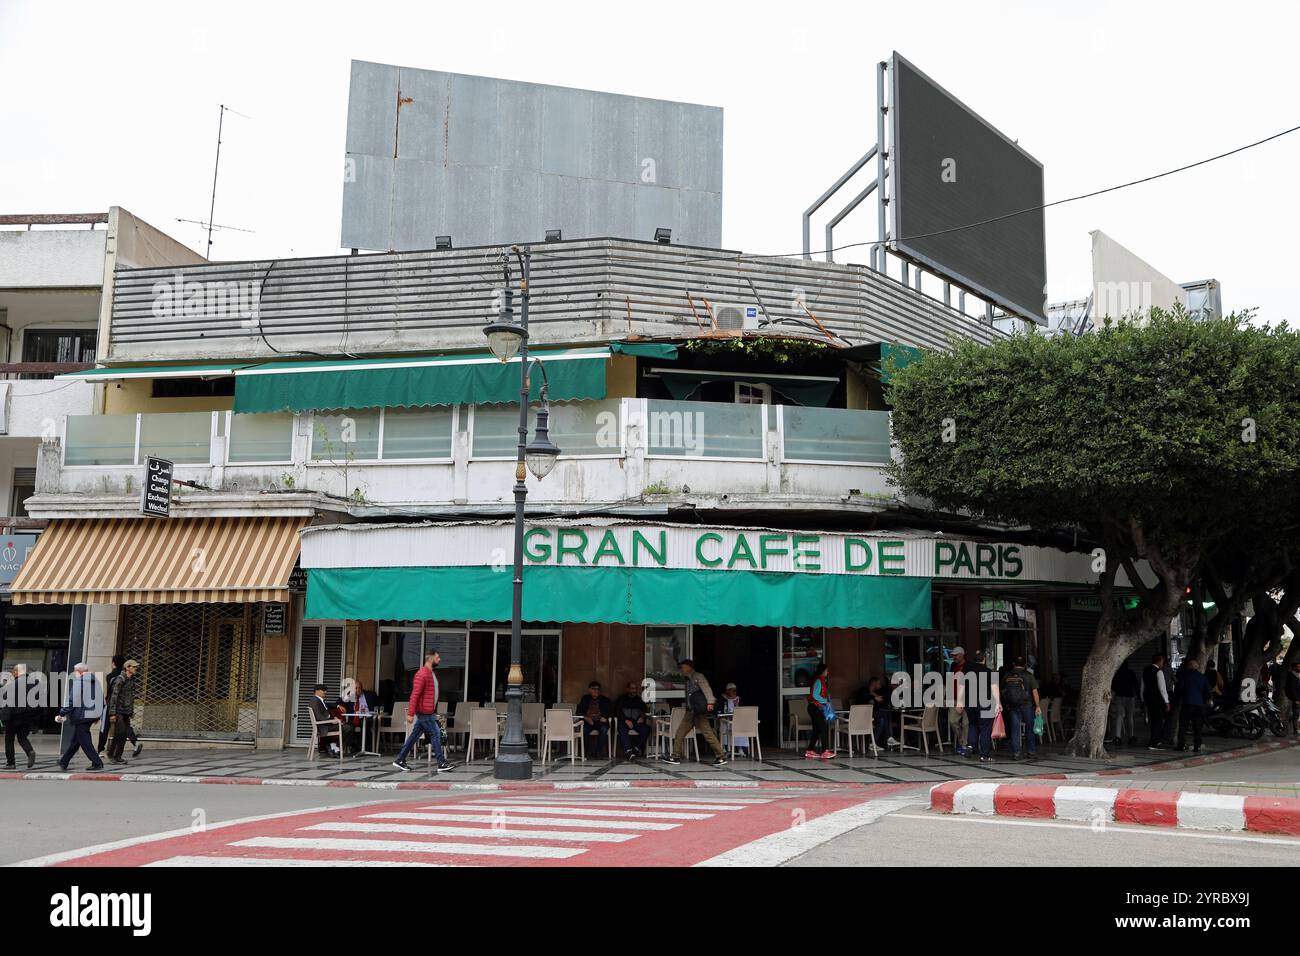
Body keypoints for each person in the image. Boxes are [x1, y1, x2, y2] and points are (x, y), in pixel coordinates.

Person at [392, 651, 451, 772]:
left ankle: (400, 759)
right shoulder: (422, 674)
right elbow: (415, 694)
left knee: (414, 736)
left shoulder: (431, 673)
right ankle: (441, 763)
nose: (439, 659)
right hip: (424, 712)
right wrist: (410, 714)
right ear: (430, 658)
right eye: (437, 657)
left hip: (428, 711)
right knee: (436, 733)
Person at [661, 660, 727, 766]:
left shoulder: (697, 676)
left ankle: (721, 756)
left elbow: (706, 689)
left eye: (682, 667)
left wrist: (710, 702)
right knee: (680, 733)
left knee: (708, 734)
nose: (681, 669)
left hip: (698, 712)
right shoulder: (687, 678)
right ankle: (675, 756)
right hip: (690, 712)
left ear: (688, 667)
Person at [55, 663, 104, 772]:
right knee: (76, 741)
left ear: (79, 672)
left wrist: (62, 713)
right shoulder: (95, 682)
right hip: (91, 715)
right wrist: (98, 715)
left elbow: (72, 701)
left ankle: (97, 762)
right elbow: (101, 699)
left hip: (81, 716)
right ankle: (64, 761)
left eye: (75, 671)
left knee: (85, 741)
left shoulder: (80, 682)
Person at [959, 649, 999, 762]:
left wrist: (959, 702)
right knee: (985, 728)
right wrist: (998, 703)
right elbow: (995, 688)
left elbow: (961, 687)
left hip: (970, 703)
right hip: (984, 703)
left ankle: (971, 746)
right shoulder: (989, 672)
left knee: (973, 724)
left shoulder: (966, 671)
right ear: (984, 659)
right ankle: (984, 755)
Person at [1, 664, 39, 769]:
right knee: (22, 737)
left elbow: (5, 697)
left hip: (15, 715)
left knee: (9, 739)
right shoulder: (34, 683)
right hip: (28, 716)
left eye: (14, 672)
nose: (13, 674)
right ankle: (30, 751)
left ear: (17, 672)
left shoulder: (15, 683)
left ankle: (11, 763)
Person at [1002, 656, 1040, 760]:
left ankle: (1016, 753)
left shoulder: (1007, 675)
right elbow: (1035, 692)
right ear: (1025, 665)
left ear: (1014, 664)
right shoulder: (1029, 675)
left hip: (1013, 705)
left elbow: (1002, 690)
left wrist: (1006, 703)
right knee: (1029, 728)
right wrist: (1037, 706)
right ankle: (1031, 752)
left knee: (1015, 729)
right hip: (1026, 704)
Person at [105, 659, 141, 765]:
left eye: (136, 667)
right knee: (120, 732)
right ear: (127, 668)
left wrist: (131, 710)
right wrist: (112, 713)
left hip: (126, 711)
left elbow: (130, 697)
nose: (136, 669)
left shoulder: (131, 680)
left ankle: (117, 756)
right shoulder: (120, 679)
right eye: (134, 667)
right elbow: (114, 697)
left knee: (123, 734)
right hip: (118, 711)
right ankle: (112, 754)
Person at [307, 683, 355, 758]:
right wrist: (332, 720)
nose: (325, 692)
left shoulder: (318, 700)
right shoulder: (315, 701)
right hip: (324, 726)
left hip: (325, 725)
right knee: (348, 728)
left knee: (347, 725)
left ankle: (334, 746)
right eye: (323, 690)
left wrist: (338, 705)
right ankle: (336, 746)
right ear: (317, 691)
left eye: (326, 690)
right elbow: (318, 716)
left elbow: (327, 705)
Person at [1176, 659, 1211, 754]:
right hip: (1198, 705)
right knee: (1197, 726)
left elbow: (1179, 689)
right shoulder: (1202, 677)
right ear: (1197, 667)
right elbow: (1207, 692)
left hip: (1187, 704)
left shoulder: (1184, 676)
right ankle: (1197, 746)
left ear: (1189, 666)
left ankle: (1181, 744)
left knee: (1183, 725)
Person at [612, 681, 653, 760]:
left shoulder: (639, 700)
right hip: (624, 722)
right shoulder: (621, 699)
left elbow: (644, 711)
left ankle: (636, 749)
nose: (634, 690)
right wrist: (626, 720)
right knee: (622, 729)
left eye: (635, 688)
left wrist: (642, 717)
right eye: (632, 688)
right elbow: (617, 711)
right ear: (627, 689)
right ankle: (628, 751)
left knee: (647, 729)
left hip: (636, 722)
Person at [805, 662, 836, 760]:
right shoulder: (819, 680)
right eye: (826, 670)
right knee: (824, 727)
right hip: (814, 707)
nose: (828, 672)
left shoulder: (821, 680)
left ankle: (810, 751)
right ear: (823, 671)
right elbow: (815, 695)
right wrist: (825, 701)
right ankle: (825, 751)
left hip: (814, 707)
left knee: (817, 729)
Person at [96, 654, 125, 755]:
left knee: (104, 727)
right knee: (123, 728)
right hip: (121, 706)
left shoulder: (110, 676)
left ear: (113, 663)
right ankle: (115, 750)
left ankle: (100, 749)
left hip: (109, 704)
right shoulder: (125, 675)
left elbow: (110, 692)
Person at [1143, 652, 1171, 751]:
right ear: (1160, 660)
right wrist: (1167, 702)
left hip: (1148, 699)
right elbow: (1162, 688)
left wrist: (1143, 699)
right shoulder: (1158, 672)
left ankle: (1154, 741)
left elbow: (1143, 686)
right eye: (1163, 661)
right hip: (1157, 701)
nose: (1163, 664)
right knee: (1158, 722)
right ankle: (1155, 743)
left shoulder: (1146, 670)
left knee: (1153, 721)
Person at [1108, 663, 1140, 747]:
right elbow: (1136, 685)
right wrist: (1140, 698)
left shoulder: (1116, 673)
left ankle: (1118, 737)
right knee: (1130, 717)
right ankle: (1131, 736)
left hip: (1119, 697)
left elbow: (1113, 686)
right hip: (1130, 697)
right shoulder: (1131, 672)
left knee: (1119, 716)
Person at [947, 647, 969, 756]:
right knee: (952, 721)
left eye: (956, 655)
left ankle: (965, 745)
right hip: (955, 699)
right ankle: (962, 741)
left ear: (962, 655)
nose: (954, 657)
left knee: (966, 723)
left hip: (967, 699)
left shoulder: (968, 667)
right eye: (953, 655)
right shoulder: (953, 666)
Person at [719, 683, 750, 756]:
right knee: (724, 726)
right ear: (727, 691)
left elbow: (742, 710)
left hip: (737, 720)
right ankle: (725, 748)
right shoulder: (723, 698)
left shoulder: (739, 699)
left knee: (740, 728)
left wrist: (736, 704)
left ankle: (740, 748)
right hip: (726, 719)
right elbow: (721, 709)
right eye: (731, 690)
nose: (733, 692)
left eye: (735, 690)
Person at [864, 676, 894, 748]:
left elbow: (882, 701)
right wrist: (874, 697)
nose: (880, 685)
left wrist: (875, 696)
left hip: (873, 716)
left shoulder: (876, 692)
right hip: (863, 716)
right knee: (884, 714)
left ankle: (872, 743)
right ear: (874, 683)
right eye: (879, 683)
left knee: (882, 720)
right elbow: (865, 698)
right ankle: (888, 737)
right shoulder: (864, 690)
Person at [1285, 661, 1300, 735]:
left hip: (1298, 696)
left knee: (1296, 713)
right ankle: (1296, 729)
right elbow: (1292, 688)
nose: (1299, 668)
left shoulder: (1297, 674)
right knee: (1296, 713)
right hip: (1295, 698)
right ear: (1294, 667)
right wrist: (1296, 699)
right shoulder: (1291, 675)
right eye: (1298, 667)